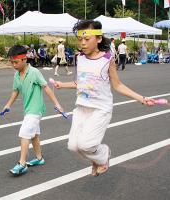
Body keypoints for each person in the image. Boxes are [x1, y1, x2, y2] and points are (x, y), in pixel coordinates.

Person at [53, 20, 154, 177]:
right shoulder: (79, 58)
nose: (83, 43)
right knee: (73, 146)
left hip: (101, 108)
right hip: (82, 107)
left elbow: (118, 85)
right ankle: (98, 159)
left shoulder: (107, 59)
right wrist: (62, 84)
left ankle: (103, 155)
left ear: (98, 39)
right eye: (80, 39)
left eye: (87, 39)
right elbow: (81, 83)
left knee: (86, 144)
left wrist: (141, 98)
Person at [2, 45, 63, 176]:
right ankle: (39, 158)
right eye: (11, 62)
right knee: (34, 135)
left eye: (16, 62)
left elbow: (46, 88)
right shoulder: (17, 75)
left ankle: (22, 164)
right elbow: (15, 91)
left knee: (24, 133)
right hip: (28, 109)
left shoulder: (34, 72)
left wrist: (57, 104)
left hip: (36, 110)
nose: (14, 65)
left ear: (25, 59)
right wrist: (8, 105)